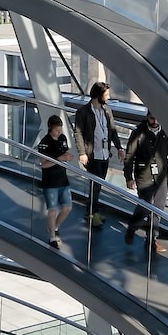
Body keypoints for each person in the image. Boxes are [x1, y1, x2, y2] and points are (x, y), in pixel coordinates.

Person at [122, 118, 168, 253]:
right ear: (147, 117)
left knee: (158, 208)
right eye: (152, 118)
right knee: (145, 205)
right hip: (144, 175)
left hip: (162, 176)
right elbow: (129, 156)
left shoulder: (166, 133)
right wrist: (128, 177)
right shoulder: (138, 133)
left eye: (157, 118)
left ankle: (152, 239)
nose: (155, 121)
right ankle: (132, 226)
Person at [73, 83, 119, 230]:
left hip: (105, 154)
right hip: (92, 155)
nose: (108, 97)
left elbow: (113, 130)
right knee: (95, 186)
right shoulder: (83, 112)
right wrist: (82, 153)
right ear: (98, 95)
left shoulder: (107, 111)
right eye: (106, 95)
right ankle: (92, 214)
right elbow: (78, 133)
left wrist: (119, 147)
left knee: (98, 186)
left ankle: (92, 212)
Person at [35, 116, 73, 248]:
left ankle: (55, 226)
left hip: (63, 179)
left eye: (60, 130)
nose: (59, 132)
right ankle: (52, 237)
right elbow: (44, 164)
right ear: (50, 129)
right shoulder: (44, 143)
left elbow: (65, 152)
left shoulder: (62, 138)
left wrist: (67, 157)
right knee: (52, 210)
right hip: (50, 182)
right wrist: (60, 158)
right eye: (57, 130)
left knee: (67, 207)